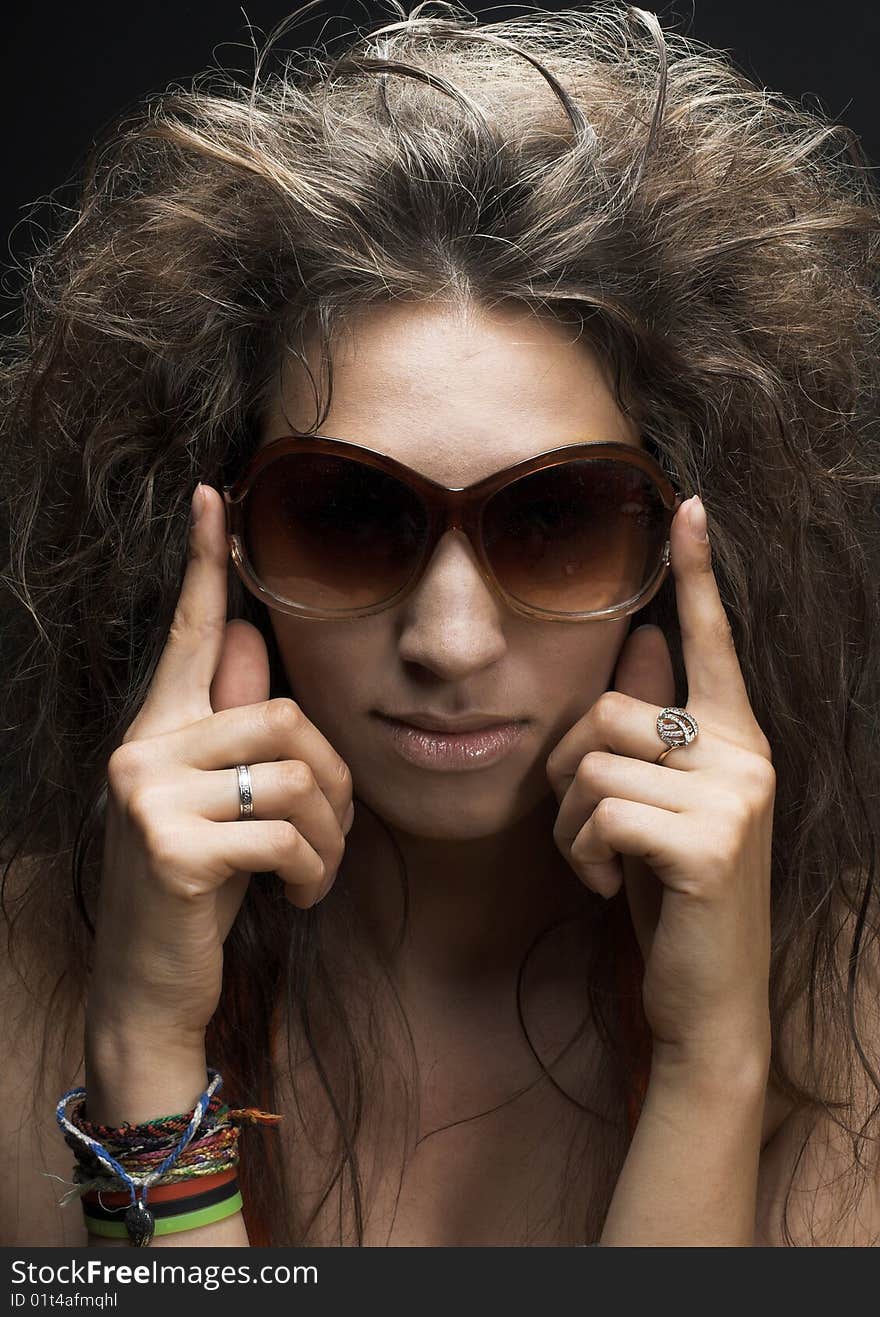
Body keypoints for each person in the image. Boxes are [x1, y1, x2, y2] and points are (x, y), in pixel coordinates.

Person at [1, 0, 878, 1249]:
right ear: (218, 543)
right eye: (347, 517)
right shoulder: (28, 970)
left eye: (556, 520)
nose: (451, 642)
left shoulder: (853, 1014)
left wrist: (713, 1065)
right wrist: (143, 1041)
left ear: (695, 543)